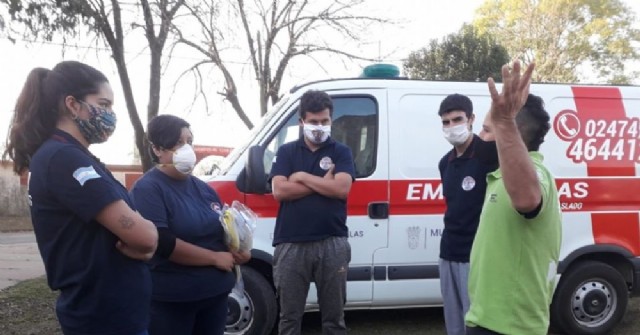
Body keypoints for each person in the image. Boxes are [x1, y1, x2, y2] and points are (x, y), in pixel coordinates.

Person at [2, 61, 158, 335]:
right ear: (72, 105)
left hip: (111, 312)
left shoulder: (72, 156)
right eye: (104, 104)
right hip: (102, 317)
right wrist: (147, 236)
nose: (110, 114)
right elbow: (144, 236)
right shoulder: (65, 159)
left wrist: (144, 238)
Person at [129, 114, 250, 335]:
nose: (188, 149)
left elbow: (222, 228)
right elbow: (162, 242)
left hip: (215, 296)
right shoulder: (148, 189)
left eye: (190, 141)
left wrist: (239, 250)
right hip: (174, 301)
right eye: (178, 143)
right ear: (157, 149)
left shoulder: (204, 188)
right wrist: (214, 258)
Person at [465, 61, 562, 335]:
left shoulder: (536, 174)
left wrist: (504, 122)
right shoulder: (498, 177)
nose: (479, 137)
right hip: (486, 319)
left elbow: (528, 199)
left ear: (512, 136)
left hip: (511, 328)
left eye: (487, 129)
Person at [269, 89, 356, 334]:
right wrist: (322, 183)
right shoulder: (287, 151)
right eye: (313, 122)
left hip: (333, 243)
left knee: (334, 320)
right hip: (291, 244)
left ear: (331, 120)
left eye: (325, 121)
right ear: (302, 122)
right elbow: (280, 191)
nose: (319, 127)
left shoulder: (341, 151)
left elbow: (341, 189)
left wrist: (304, 177)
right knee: (289, 318)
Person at [437, 94, 498, 335]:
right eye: (446, 122)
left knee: (475, 324)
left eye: (457, 119)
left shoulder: (488, 155)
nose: (452, 127)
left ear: (471, 119)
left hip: (476, 256)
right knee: (454, 326)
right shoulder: (445, 163)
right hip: (448, 252)